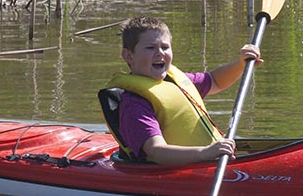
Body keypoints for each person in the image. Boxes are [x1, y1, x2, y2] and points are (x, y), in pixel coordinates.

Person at [100, 16, 262, 165]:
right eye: (150, 48)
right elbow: (155, 152)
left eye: (165, 47)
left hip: (212, 161)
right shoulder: (135, 104)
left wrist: (240, 64)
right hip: (182, 170)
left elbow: (215, 81)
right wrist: (205, 153)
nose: (159, 53)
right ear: (129, 56)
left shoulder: (175, 80)